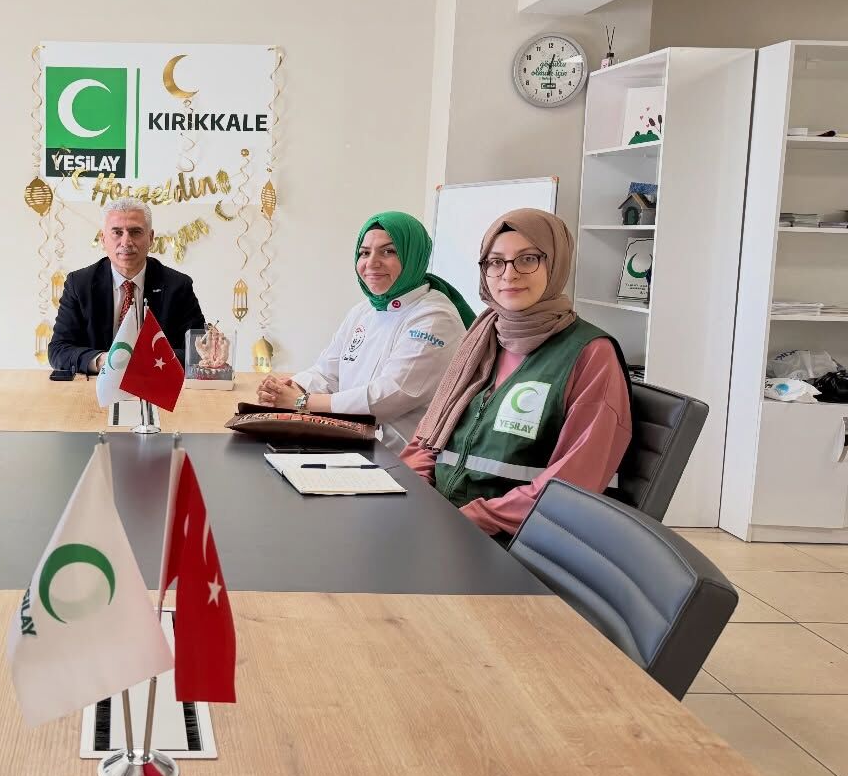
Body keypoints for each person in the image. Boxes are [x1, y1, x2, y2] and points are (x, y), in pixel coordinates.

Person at [401, 208, 632, 540]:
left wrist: (473, 519)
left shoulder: (590, 353)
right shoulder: (482, 339)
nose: (508, 274)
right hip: (444, 521)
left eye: (527, 259)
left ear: (555, 263)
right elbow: (428, 437)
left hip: (517, 539)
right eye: (495, 262)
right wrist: (418, 495)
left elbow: (574, 480)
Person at [257, 211, 473, 452]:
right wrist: (289, 388)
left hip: (400, 458)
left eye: (388, 251)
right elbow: (327, 372)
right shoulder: (363, 311)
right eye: (365, 253)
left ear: (413, 256)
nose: (371, 263)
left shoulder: (435, 317)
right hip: (351, 444)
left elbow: (388, 396)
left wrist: (301, 402)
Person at [50, 197, 206, 374]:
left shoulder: (178, 286)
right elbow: (58, 350)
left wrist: (146, 361)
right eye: (117, 232)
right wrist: (103, 361)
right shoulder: (79, 284)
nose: (126, 242)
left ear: (151, 238)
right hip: (97, 384)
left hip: (156, 382)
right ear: (103, 238)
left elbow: (197, 352)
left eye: (135, 232)